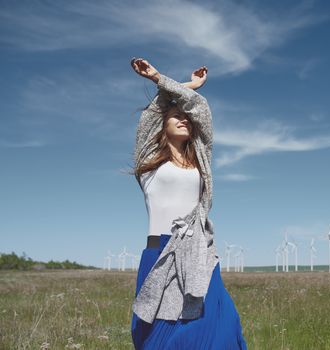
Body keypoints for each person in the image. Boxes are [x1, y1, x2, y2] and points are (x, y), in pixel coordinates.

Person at [128, 57, 248, 349]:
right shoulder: (147, 163)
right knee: (160, 335)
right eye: (175, 116)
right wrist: (161, 79)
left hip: (199, 253)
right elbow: (152, 113)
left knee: (221, 325)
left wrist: (192, 89)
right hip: (160, 253)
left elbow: (201, 110)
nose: (184, 118)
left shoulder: (201, 158)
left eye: (187, 117)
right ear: (163, 124)